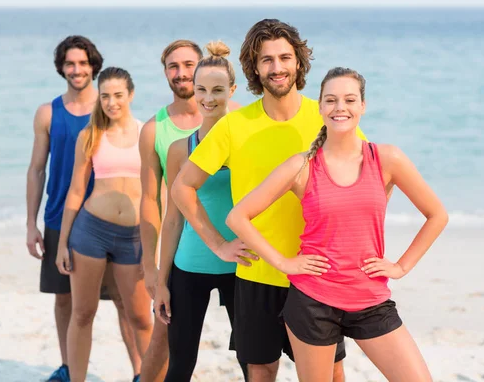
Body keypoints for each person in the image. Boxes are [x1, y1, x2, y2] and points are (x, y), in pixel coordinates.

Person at [227, 67, 449, 382]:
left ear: (362, 106)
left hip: (370, 299)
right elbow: (238, 216)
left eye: (349, 99)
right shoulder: (301, 166)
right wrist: (282, 262)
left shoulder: (387, 159)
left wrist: (401, 267)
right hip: (312, 302)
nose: (339, 107)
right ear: (319, 107)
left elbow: (437, 214)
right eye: (330, 100)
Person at [171, 19, 364, 382]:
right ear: (254, 68)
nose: (277, 67)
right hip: (256, 273)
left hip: (316, 274)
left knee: (330, 374)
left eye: (285, 57)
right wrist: (219, 245)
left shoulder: (325, 115)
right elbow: (182, 188)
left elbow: (367, 179)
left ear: (299, 62)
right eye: (267, 60)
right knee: (260, 371)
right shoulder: (233, 125)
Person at [26, 36, 140, 382]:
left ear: (94, 67)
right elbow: (36, 169)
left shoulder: (112, 112)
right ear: (61, 67)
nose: (76, 70)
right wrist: (31, 224)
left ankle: (139, 370)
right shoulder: (49, 113)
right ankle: (68, 368)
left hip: (116, 224)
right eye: (70, 63)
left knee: (126, 303)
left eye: (83, 63)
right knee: (67, 302)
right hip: (63, 216)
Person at [138, 39, 239, 381]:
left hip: (241, 265)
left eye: (217, 90)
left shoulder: (245, 139)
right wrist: (161, 279)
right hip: (189, 265)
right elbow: (173, 217)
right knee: (180, 366)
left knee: (252, 362)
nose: (208, 98)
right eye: (201, 90)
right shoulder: (182, 147)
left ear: (232, 90)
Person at [55, 67, 153, 382]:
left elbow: (157, 193)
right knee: (83, 314)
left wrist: (156, 243)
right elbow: (75, 191)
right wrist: (62, 244)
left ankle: (146, 376)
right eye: (106, 96)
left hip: (134, 238)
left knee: (140, 317)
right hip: (90, 232)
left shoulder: (146, 133)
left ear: (131, 95)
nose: (111, 102)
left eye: (118, 95)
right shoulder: (91, 134)